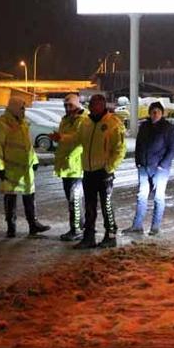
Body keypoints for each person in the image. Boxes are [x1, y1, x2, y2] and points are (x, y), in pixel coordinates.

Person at [0, 97, 50, 238]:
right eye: (22, 108)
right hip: (10, 168)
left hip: (25, 167)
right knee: (10, 196)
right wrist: (0, 167)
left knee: (29, 194)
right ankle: (11, 227)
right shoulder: (2, 124)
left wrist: (34, 160)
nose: (24, 110)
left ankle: (33, 225)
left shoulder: (22, 122)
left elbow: (27, 145)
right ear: (14, 107)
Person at [74, 94, 126, 249]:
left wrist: (109, 167)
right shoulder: (86, 122)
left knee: (106, 205)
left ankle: (110, 235)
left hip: (103, 172)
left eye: (95, 104)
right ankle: (89, 237)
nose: (91, 106)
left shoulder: (113, 122)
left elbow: (120, 148)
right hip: (88, 171)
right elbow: (77, 139)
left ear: (102, 105)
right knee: (89, 206)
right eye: (91, 104)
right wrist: (61, 138)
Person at [123, 101, 174, 236]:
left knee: (158, 197)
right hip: (144, 166)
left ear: (162, 113)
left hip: (160, 169)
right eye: (152, 112)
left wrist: (162, 165)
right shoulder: (144, 126)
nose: (154, 114)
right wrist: (138, 162)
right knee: (142, 196)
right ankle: (137, 226)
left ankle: (155, 227)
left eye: (157, 112)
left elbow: (172, 149)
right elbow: (139, 145)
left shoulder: (168, 128)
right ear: (149, 113)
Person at [50, 94, 86, 241]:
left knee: (74, 200)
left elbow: (78, 138)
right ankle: (81, 226)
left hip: (76, 166)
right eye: (65, 105)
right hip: (67, 165)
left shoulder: (83, 120)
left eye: (70, 105)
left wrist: (61, 138)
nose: (67, 108)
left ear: (77, 105)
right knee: (73, 199)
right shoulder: (66, 119)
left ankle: (76, 229)